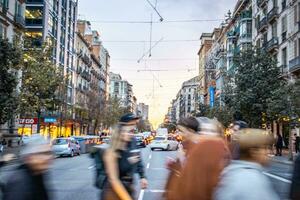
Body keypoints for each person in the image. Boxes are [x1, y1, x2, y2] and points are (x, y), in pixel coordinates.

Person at [168, 117, 230, 200]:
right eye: (203, 130)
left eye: (211, 131)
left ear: (219, 134)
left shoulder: (223, 153)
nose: (206, 133)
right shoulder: (195, 150)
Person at [214, 129, 280, 200]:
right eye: (265, 148)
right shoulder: (252, 181)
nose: (269, 152)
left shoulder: (232, 172)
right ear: (253, 152)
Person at [101, 113, 148, 200]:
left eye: (134, 125)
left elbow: (138, 159)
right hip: (113, 192)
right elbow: (114, 180)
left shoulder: (133, 141)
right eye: (130, 125)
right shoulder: (111, 151)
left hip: (129, 186)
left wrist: (142, 177)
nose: (133, 128)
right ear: (121, 129)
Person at [2, 134, 53, 200]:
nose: (49, 157)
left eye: (49, 153)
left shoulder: (38, 174)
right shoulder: (19, 183)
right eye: (43, 153)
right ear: (29, 157)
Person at [164, 117, 200, 200]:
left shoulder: (198, 148)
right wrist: (173, 165)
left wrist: (181, 158)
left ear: (191, 131)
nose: (179, 134)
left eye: (182, 131)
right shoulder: (184, 145)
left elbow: (194, 174)